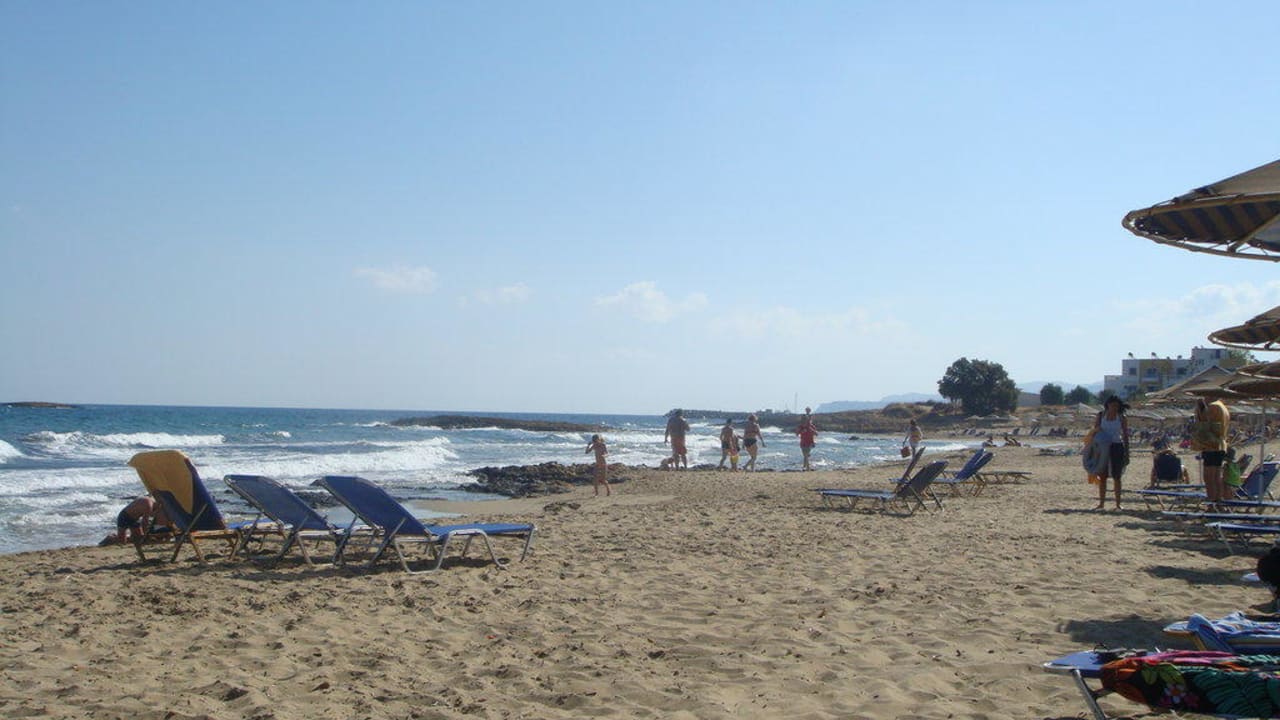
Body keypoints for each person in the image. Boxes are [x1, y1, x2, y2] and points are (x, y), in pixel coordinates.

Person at [1092, 396, 1131, 510]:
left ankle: (1118, 504)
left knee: (1117, 476)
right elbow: (1094, 431)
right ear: (1108, 405)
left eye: (1117, 406)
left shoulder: (1121, 417)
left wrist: (1127, 452)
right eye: (1113, 405)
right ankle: (1101, 503)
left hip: (1117, 446)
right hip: (1103, 446)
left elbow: (1125, 435)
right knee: (1102, 476)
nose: (1115, 408)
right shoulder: (1101, 416)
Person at [1193, 397, 1232, 503]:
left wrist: (1200, 409)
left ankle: (1212, 502)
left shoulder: (1212, 407)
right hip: (1220, 445)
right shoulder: (1222, 406)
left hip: (1211, 445)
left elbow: (1204, 426)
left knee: (1209, 477)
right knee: (1216, 476)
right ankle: (1218, 501)